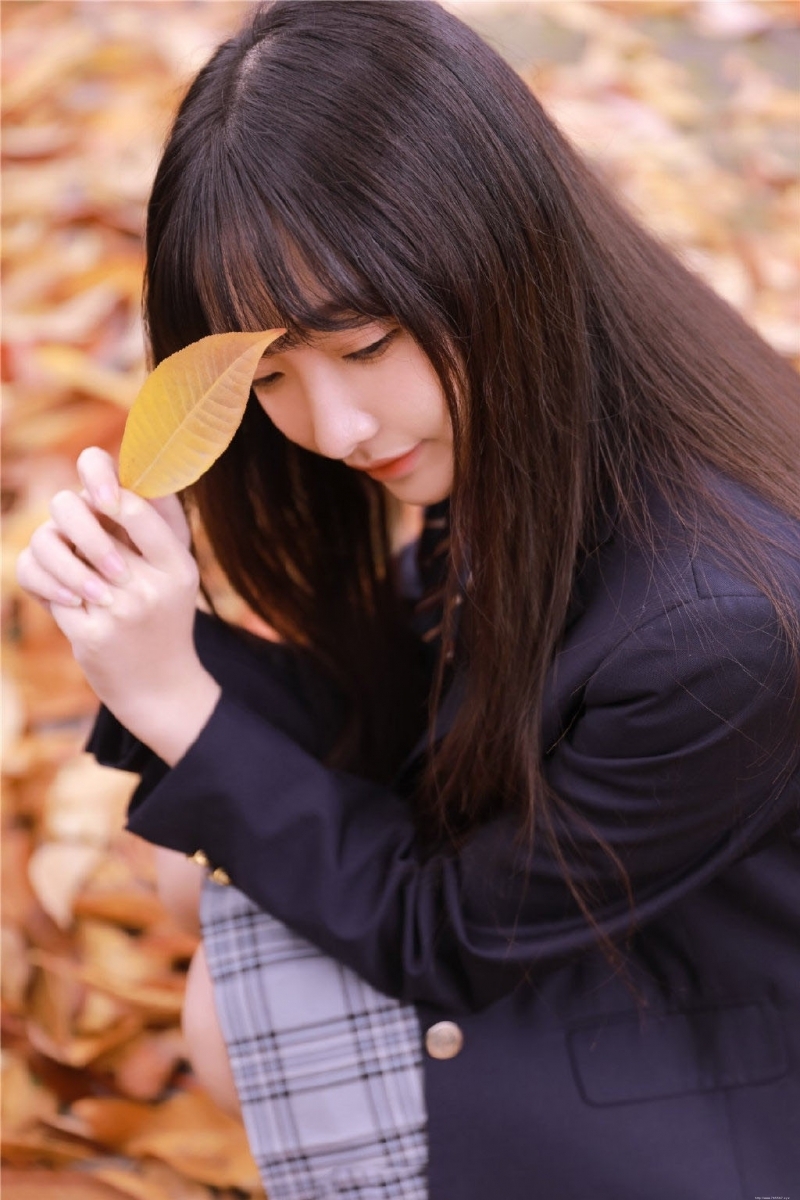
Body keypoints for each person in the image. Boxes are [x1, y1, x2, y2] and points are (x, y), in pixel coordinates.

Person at [15, 2, 800, 1197]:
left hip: (725, 1038)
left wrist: (178, 699)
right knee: (201, 859)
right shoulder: (569, 382)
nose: (335, 429)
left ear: (492, 245)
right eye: (268, 374)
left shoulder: (716, 616)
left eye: (368, 344)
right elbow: (411, 708)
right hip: (610, 894)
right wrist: (147, 625)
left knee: (228, 995)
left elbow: (449, 940)